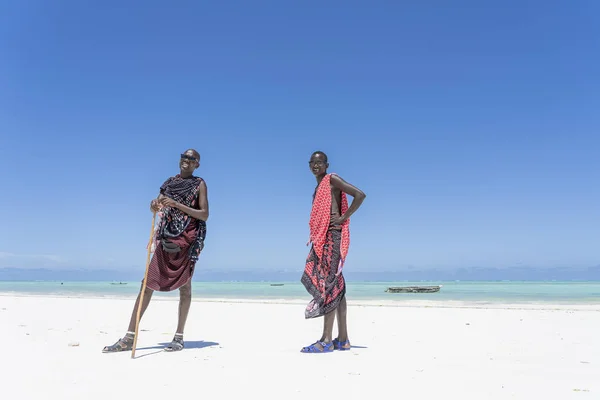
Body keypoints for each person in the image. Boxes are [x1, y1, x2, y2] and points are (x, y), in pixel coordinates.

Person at [102, 149, 209, 353]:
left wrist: (177, 204)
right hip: (166, 238)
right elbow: (157, 205)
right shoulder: (169, 183)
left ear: (197, 165)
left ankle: (179, 338)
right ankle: (129, 338)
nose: (186, 160)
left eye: (191, 159)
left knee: (185, 288)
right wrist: (154, 205)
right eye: (184, 157)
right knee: (146, 285)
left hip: (186, 241)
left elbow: (204, 214)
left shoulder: (199, 184)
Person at [300, 151, 366, 353]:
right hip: (323, 238)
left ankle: (326, 340)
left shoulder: (332, 179)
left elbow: (360, 195)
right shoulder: (318, 187)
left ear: (326, 165)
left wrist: (343, 217)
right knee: (337, 287)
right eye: (312, 162)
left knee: (329, 285)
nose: (315, 165)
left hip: (332, 237)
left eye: (319, 162)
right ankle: (343, 339)